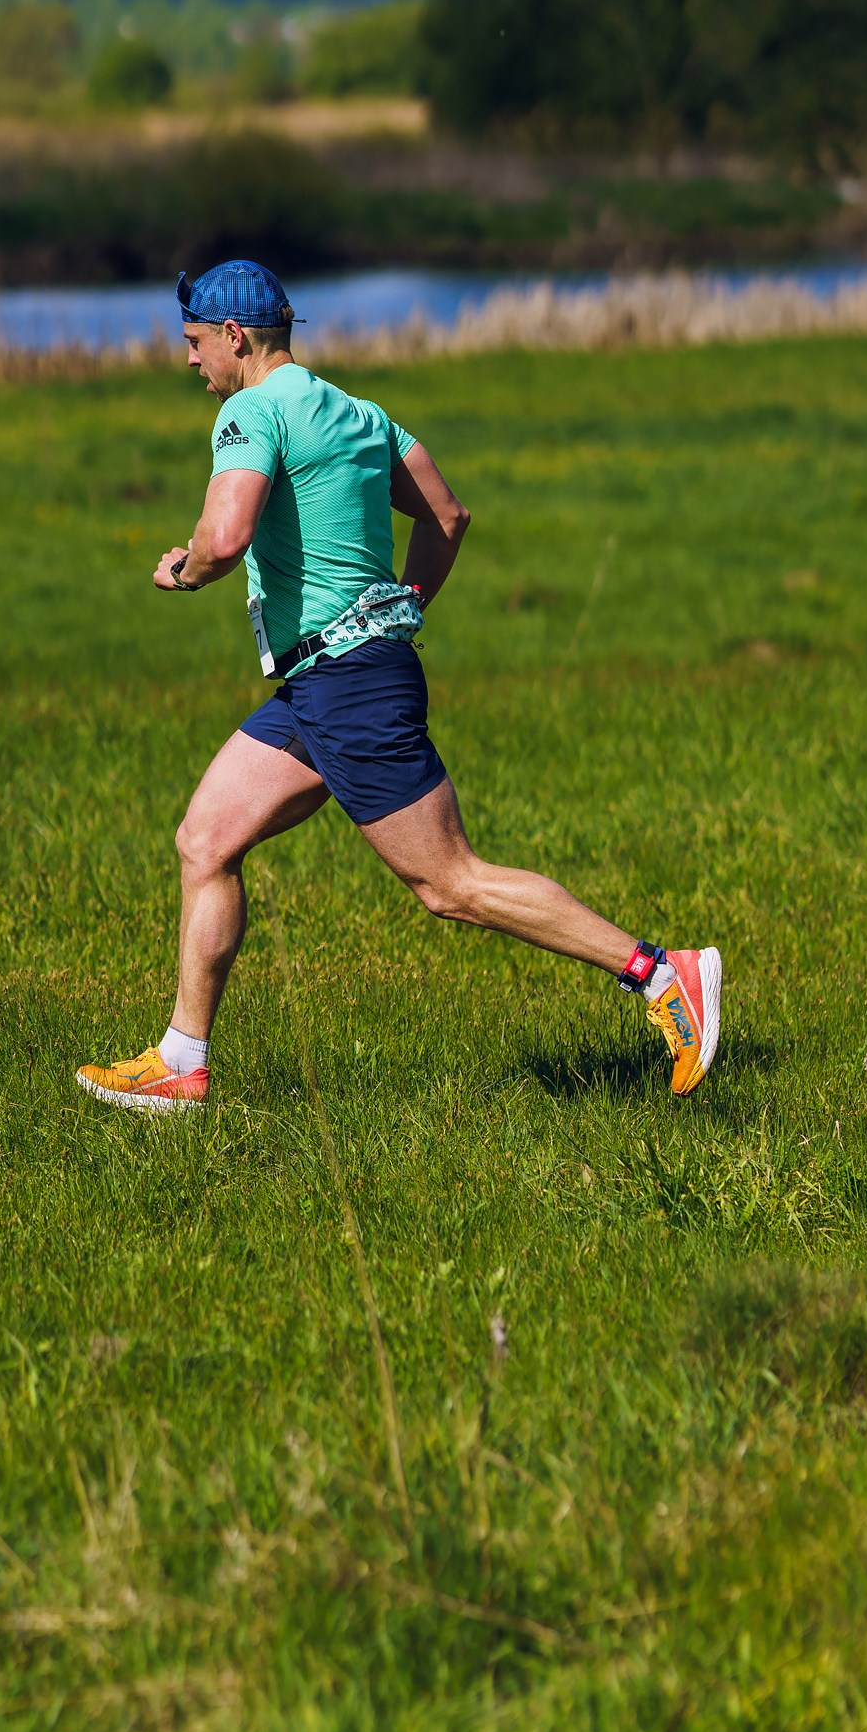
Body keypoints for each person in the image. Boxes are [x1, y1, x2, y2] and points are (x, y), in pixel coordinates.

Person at [77, 257, 721, 1116]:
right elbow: (448, 517)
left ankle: (660, 973)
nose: (190, 360)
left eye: (195, 342)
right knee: (205, 841)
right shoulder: (360, 412)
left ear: (234, 337)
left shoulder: (250, 411)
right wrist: (402, 606)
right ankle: (181, 1063)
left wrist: (185, 572)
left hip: (348, 687)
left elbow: (225, 537)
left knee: (448, 883)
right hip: (326, 684)